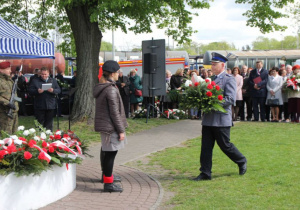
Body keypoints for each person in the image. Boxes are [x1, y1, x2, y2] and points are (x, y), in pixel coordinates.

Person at [193, 52, 247, 181]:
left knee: (225, 145)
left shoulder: (229, 79)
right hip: (208, 119)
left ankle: (241, 160)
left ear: (222, 65)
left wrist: (213, 103)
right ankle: (205, 173)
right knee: (205, 147)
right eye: (211, 64)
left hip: (221, 119)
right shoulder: (211, 80)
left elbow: (230, 99)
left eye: (214, 64)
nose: (211, 66)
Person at [94, 60, 128, 192]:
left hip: (106, 126)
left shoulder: (104, 86)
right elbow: (115, 113)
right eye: (118, 71)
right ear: (113, 73)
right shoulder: (111, 90)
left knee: (106, 152)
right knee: (110, 154)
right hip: (111, 127)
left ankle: (106, 175)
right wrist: (121, 131)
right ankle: (108, 183)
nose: (119, 74)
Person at [0, 61, 19, 136]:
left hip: (13, 112)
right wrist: (7, 103)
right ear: (1, 70)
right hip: (4, 113)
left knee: (14, 134)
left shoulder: (9, 80)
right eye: (8, 69)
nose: (10, 71)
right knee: (5, 135)